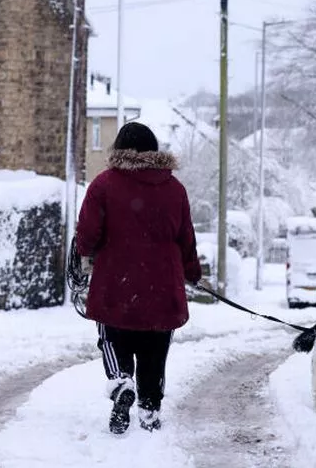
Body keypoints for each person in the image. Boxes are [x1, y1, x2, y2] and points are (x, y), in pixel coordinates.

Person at [74, 121, 208, 435]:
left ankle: (121, 383)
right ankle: (150, 409)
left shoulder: (104, 184)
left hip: (115, 289)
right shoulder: (175, 189)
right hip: (162, 291)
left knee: (111, 340)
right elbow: (186, 239)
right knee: (155, 353)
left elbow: (87, 236)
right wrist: (193, 274)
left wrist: (84, 250)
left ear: (119, 150)